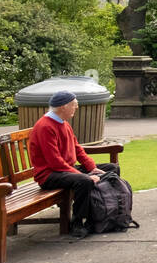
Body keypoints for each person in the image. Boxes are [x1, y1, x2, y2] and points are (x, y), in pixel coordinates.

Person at [30, 91, 119, 238]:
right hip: (49, 175)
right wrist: (85, 175)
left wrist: (92, 167)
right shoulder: (45, 127)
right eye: (74, 105)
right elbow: (55, 162)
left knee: (112, 168)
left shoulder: (63, 123)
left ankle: (103, 211)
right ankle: (77, 223)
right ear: (63, 107)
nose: (76, 108)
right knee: (83, 181)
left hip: (65, 169)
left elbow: (77, 149)